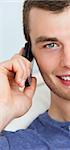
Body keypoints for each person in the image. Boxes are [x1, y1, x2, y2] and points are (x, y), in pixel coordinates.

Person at [0, 0, 70, 149]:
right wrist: (3, 108)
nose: (68, 61)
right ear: (29, 55)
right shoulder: (24, 144)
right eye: (51, 45)